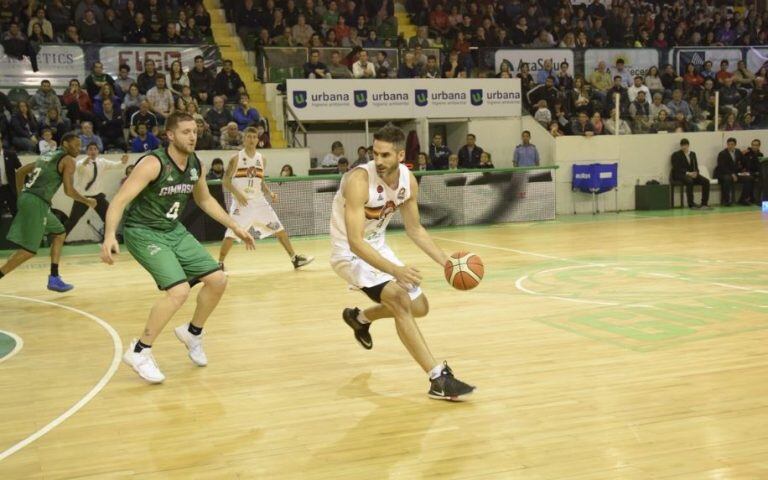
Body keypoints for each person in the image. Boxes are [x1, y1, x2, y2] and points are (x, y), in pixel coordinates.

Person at [101, 111, 256, 384]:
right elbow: (120, 200)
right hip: (144, 231)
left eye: (194, 131)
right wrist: (110, 235)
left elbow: (206, 200)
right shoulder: (152, 163)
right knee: (179, 291)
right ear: (170, 135)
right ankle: (139, 351)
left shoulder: (196, 164)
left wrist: (235, 226)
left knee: (218, 280)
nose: (192, 136)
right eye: (185, 132)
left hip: (173, 230)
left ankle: (192, 332)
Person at [329, 124, 475, 400]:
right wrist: (395, 270)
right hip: (348, 253)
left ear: (400, 154)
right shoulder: (358, 181)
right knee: (399, 299)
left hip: (378, 247)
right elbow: (355, 242)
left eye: (386, 155)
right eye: (375, 154)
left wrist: (447, 263)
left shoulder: (408, 180)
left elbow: (415, 229)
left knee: (420, 307)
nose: (379, 161)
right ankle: (438, 378)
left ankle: (359, 318)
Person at [0, 133, 96, 291]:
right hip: (36, 202)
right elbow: (69, 191)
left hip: (31, 199)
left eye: (80, 145)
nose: (80, 149)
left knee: (59, 233)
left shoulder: (47, 155)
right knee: (28, 251)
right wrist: (88, 201)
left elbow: (20, 172)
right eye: (76, 145)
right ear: (65, 144)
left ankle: (54, 277)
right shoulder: (68, 160)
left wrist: (21, 195)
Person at [218, 126, 313, 269]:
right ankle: (219, 263)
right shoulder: (236, 158)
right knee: (231, 234)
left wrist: (270, 193)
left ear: (258, 139)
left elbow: (260, 181)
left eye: (254, 137)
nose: (251, 140)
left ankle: (295, 259)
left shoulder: (262, 158)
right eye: (248, 137)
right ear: (244, 139)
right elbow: (225, 181)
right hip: (241, 204)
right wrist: (238, 194)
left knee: (279, 229)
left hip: (259, 202)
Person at [65, 144, 129, 235]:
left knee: (109, 218)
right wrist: (85, 163)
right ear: (87, 152)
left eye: (95, 149)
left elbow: (116, 166)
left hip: (98, 196)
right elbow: (80, 169)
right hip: (83, 197)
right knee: (72, 220)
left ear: (98, 151)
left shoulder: (102, 162)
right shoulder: (81, 162)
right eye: (90, 149)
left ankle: (108, 240)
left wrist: (123, 162)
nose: (93, 151)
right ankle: (59, 240)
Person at [671, 138, 710, 209]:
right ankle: (691, 204)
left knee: (706, 181)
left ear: (688, 145)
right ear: (681, 146)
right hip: (681, 174)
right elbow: (676, 168)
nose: (684, 147)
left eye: (685, 145)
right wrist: (688, 173)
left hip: (692, 174)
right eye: (682, 145)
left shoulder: (692, 154)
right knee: (689, 181)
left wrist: (696, 173)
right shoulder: (676, 155)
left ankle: (704, 203)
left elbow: (695, 165)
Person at [715, 137, 754, 206]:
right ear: (727, 144)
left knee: (749, 178)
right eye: (729, 144)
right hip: (724, 174)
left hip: (736, 174)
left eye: (732, 144)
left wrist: (745, 171)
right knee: (727, 178)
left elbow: (744, 162)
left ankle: (743, 199)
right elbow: (722, 167)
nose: (730, 146)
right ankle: (726, 200)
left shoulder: (738, 152)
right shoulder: (722, 154)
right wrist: (732, 174)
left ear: (735, 145)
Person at [0, 136, 21, 216]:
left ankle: (19, 228)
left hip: (10, 188)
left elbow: (20, 169)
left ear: (1, 143)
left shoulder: (10, 154)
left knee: (15, 212)